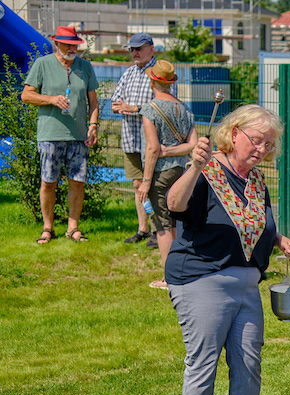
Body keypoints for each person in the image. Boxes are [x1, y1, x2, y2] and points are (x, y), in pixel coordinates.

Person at [165, 105, 290, 395]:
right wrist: (194, 166)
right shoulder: (206, 170)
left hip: (247, 284)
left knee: (248, 358)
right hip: (202, 278)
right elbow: (173, 204)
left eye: (269, 145)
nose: (262, 150)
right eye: (257, 141)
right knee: (203, 358)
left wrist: (277, 238)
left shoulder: (255, 180)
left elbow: (253, 224)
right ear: (234, 133)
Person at [22, 26, 99, 244]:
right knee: (48, 182)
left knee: (77, 182)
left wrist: (93, 125)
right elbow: (26, 95)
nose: (73, 48)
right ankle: (48, 228)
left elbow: (93, 102)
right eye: (68, 44)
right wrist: (51, 99)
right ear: (57, 43)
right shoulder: (42, 64)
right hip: (50, 134)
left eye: (75, 44)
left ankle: (72, 228)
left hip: (79, 135)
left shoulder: (85, 67)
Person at [137, 60, 197, 289]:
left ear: (153, 81)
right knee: (176, 225)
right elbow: (193, 144)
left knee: (162, 227)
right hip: (181, 172)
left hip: (160, 174)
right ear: (171, 83)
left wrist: (145, 181)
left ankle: (168, 277)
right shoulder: (185, 108)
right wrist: (173, 150)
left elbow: (152, 149)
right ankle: (183, 270)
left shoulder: (150, 110)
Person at [111, 33, 175, 245]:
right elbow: (115, 100)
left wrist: (135, 108)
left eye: (139, 48)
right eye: (132, 49)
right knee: (138, 183)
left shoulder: (160, 72)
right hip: (130, 138)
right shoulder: (128, 73)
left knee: (155, 185)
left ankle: (161, 232)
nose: (134, 53)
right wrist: (118, 106)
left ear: (151, 49)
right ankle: (143, 229)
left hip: (153, 142)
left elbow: (165, 104)